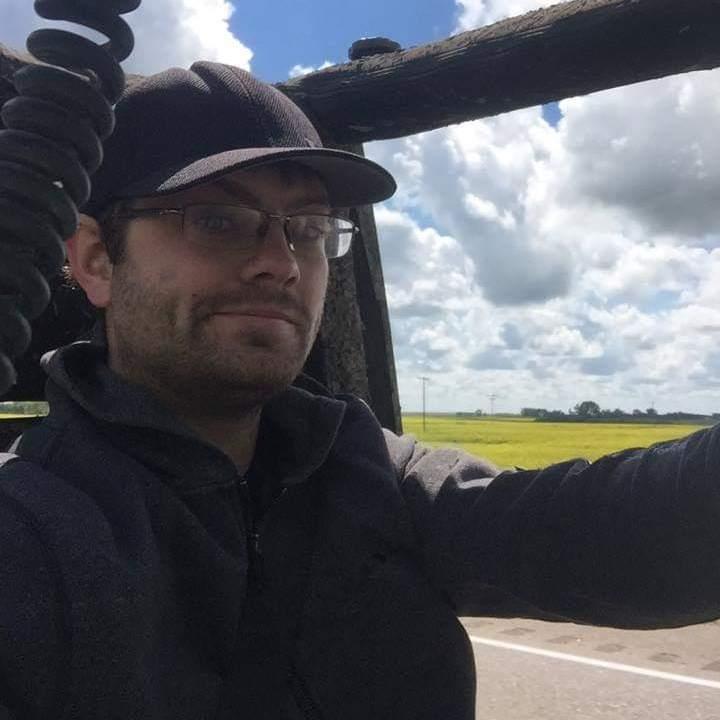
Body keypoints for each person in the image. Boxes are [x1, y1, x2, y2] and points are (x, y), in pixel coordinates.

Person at [1, 61, 719, 720]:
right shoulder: (31, 531)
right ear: (96, 260)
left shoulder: (368, 470)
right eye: (217, 220)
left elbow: (605, 533)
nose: (282, 262)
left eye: (310, 229)